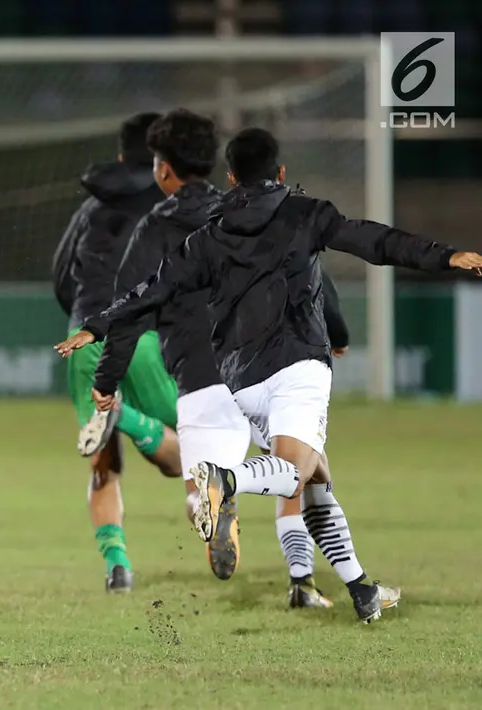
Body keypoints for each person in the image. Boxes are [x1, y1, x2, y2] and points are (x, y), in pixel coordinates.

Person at [58, 126, 482, 622]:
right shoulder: (306, 215)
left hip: (242, 381)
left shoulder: (209, 235)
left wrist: (96, 325)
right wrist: (444, 255)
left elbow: (152, 288)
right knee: (295, 473)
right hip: (299, 366)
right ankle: (227, 481)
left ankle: (361, 589)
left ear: (232, 176)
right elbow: (373, 240)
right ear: (281, 173)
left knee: (317, 475)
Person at [85, 110, 340, 607]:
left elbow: (130, 309)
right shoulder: (246, 213)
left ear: (163, 169)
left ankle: (212, 502)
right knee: (302, 471)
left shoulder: (154, 231)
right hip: (263, 368)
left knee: (200, 490)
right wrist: (337, 329)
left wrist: (107, 381)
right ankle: (303, 583)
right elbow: (304, 268)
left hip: (198, 377)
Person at [50, 112, 182, 593]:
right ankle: (126, 417)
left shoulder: (88, 209)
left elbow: (61, 275)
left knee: (104, 465)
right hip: (141, 339)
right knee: (187, 453)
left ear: (121, 153)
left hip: (84, 338)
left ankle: (117, 567)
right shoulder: (170, 206)